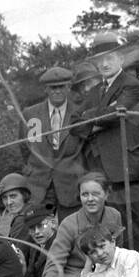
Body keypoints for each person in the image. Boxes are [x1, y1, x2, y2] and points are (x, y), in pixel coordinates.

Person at [80, 33, 139, 226]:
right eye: (99, 60)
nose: (104, 64)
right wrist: (98, 116)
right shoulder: (94, 92)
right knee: (108, 225)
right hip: (99, 167)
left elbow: (115, 114)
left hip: (124, 165)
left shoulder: (132, 85)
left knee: (131, 225)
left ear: (121, 58)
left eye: (109, 58)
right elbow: (76, 122)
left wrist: (92, 115)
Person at [36, 172, 124, 277]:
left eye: (96, 194)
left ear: (106, 194)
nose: (90, 199)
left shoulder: (114, 216)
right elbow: (55, 263)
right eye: (85, 194)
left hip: (104, 273)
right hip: (74, 274)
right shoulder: (69, 224)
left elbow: (118, 252)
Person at [22, 65, 86, 219]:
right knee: (38, 230)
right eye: (53, 87)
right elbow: (25, 148)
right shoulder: (31, 114)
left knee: (72, 231)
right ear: (46, 89)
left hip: (71, 184)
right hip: (39, 184)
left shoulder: (80, 113)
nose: (57, 91)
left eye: (61, 87)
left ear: (68, 87)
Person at [0, 171, 33, 253]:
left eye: (13, 196)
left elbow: (14, 254)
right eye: (4, 198)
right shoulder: (29, 212)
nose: (9, 202)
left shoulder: (23, 220)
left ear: (24, 195)